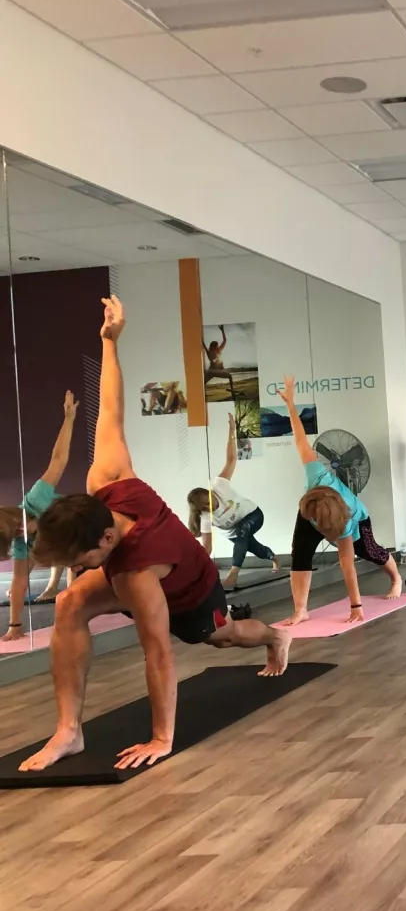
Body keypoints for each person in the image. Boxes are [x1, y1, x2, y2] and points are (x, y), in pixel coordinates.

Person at [18, 295, 291, 773]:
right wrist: (109, 342)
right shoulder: (107, 478)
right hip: (138, 569)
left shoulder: (137, 575)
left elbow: (160, 655)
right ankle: (69, 731)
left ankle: (275, 636)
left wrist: (162, 738)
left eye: (77, 563)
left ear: (103, 541)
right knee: (69, 603)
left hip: (191, 589)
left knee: (222, 637)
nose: (75, 571)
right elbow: (111, 407)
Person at [279, 376, 402, 626]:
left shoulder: (345, 520)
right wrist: (291, 406)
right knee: (299, 555)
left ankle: (396, 578)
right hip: (315, 510)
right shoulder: (315, 475)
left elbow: (347, 566)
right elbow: (300, 439)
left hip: (357, 519)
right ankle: (301, 609)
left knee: (369, 551)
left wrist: (356, 606)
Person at [1, 392, 79, 639]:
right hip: (71, 552)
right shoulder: (21, 542)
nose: (20, 534)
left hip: (86, 530)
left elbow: (58, 460)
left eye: (18, 529)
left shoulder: (37, 498)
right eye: (15, 536)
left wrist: (69, 418)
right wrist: (14, 626)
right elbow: (19, 581)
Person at [186, 412, 279, 590]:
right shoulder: (205, 517)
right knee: (256, 549)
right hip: (236, 534)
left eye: (210, 502)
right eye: (205, 507)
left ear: (210, 492)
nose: (210, 507)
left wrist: (231, 432)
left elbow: (231, 459)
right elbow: (207, 548)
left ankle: (233, 573)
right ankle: (274, 558)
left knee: (244, 529)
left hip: (254, 516)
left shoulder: (219, 485)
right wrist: (195, 571)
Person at [204, 324, 236, 399]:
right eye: (217, 346)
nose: (218, 347)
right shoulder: (212, 352)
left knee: (203, 382)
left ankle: (232, 392)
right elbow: (203, 344)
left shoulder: (216, 351)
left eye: (217, 346)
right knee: (229, 376)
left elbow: (224, 340)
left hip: (212, 372)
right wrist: (222, 331)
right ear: (214, 347)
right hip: (214, 371)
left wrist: (222, 331)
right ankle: (232, 391)